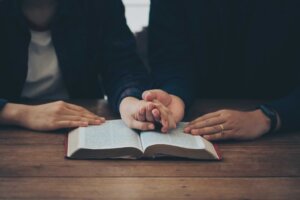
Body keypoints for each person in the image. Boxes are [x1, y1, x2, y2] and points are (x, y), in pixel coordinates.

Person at [0, 0, 170, 132]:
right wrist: (21, 114)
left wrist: (130, 101)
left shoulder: (99, 4)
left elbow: (122, 65)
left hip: (81, 124)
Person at [145, 0, 300, 140]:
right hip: (194, 120)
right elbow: (170, 59)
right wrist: (175, 95)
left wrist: (268, 117)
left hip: (283, 128)